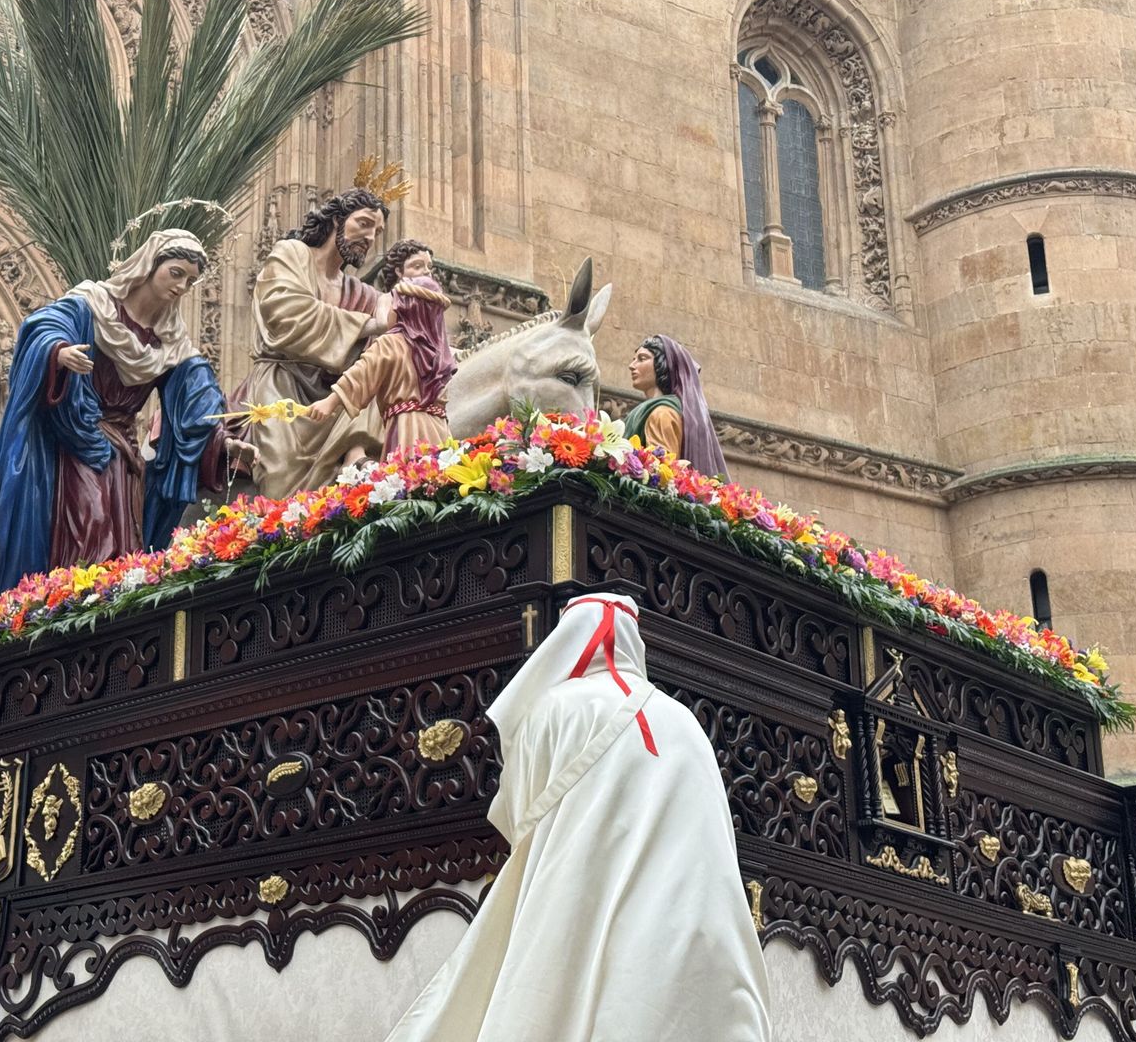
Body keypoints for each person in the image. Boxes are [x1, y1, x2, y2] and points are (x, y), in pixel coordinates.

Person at [385, 592, 772, 1042]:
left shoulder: (550, 711)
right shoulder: (686, 720)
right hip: (701, 927)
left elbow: (522, 824)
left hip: (585, 906)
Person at [0, 229, 252, 593]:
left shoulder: (171, 339)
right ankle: (70, 603)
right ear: (148, 266)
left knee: (123, 548)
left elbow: (197, 401)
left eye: (190, 281)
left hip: (123, 459)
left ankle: (100, 614)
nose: (181, 287)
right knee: (90, 528)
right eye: (175, 273)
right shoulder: (93, 304)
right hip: (79, 442)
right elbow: (43, 328)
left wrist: (223, 440)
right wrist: (58, 351)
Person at [240, 188, 392, 498]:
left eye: (376, 232)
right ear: (337, 220)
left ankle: (355, 451)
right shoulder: (292, 253)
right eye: (363, 223)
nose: (369, 237)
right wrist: (367, 324)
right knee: (280, 479)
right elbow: (285, 315)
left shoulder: (360, 292)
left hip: (338, 394)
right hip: (284, 385)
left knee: (384, 358)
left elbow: (393, 339)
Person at [306, 240, 455, 456]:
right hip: (440, 431)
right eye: (417, 265)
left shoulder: (392, 344)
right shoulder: (441, 356)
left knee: (409, 472)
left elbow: (362, 373)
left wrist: (330, 403)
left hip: (407, 429)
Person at [624, 333, 727, 477]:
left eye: (642, 359)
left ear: (663, 365)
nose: (632, 366)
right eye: (634, 359)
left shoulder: (662, 414)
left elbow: (661, 476)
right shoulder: (660, 411)